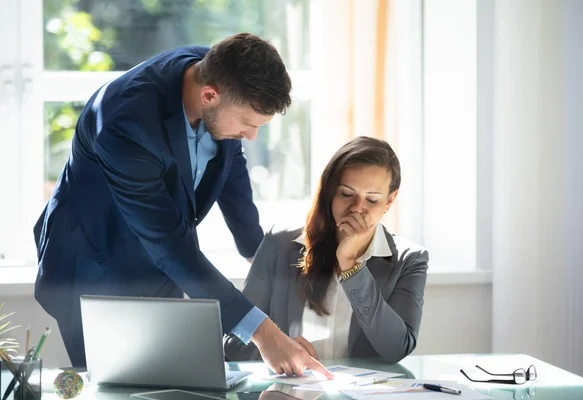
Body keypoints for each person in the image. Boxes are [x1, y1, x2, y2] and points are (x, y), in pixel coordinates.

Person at [33, 32, 332, 378]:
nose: (252, 136)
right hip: (92, 269)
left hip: (161, 268)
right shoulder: (125, 125)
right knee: (116, 389)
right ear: (208, 95)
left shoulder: (220, 73)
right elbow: (171, 246)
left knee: (174, 385)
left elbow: (230, 164)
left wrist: (256, 251)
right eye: (248, 124)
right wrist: (263, 334)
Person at [224, 136, 429, 364]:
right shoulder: (278, 244)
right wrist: (277, 347)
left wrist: (350, 265)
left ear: (389, 201)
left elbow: (396, 349)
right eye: (346, 194)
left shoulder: (409, 259)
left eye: (371, 199)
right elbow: (233, 343)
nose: (356, 208)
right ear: (330, 191)